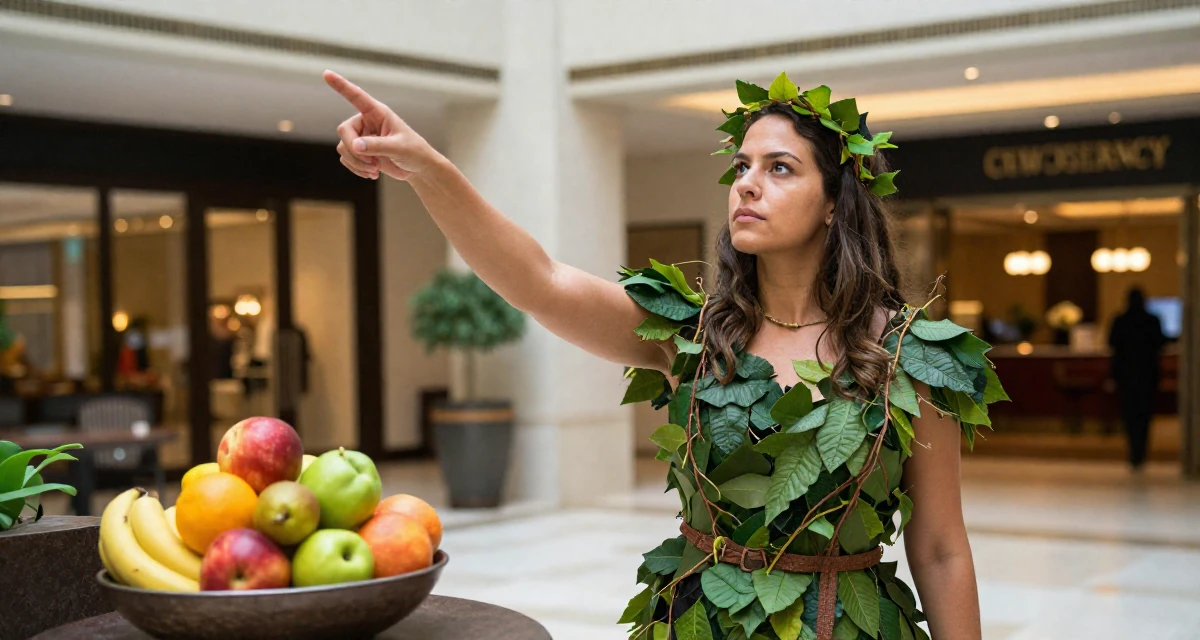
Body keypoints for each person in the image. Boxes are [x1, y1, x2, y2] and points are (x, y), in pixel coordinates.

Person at [324, 70, 992, 640]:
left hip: (844, 623)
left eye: (779, 168)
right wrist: (427, 170)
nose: (747, 186)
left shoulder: (909, 356)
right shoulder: (692, 334)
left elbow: (938, 547)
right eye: (742, 167)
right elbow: (538, 280)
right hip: (698, 619)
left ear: (832, 206)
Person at [1107, 287, 1166, 470]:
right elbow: (1161, 344)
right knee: (1145, 416)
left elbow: (1112, 345)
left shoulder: (1120, 320)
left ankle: (1133, 452)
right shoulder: (1152, 321)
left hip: (1126, 376)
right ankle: (1141, 452)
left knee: (1130, 415)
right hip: (1148, 375)